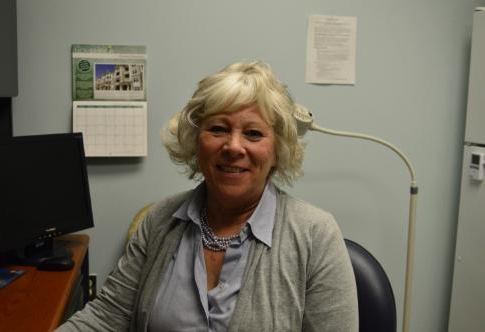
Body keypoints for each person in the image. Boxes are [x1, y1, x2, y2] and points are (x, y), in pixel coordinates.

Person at [57, 61, 358, 331]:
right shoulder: (159, 221)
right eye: (218, 129)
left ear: (277, 151)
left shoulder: (315, 235)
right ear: (195, 141)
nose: (233, 146)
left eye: (253, 133)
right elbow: (106, 317)